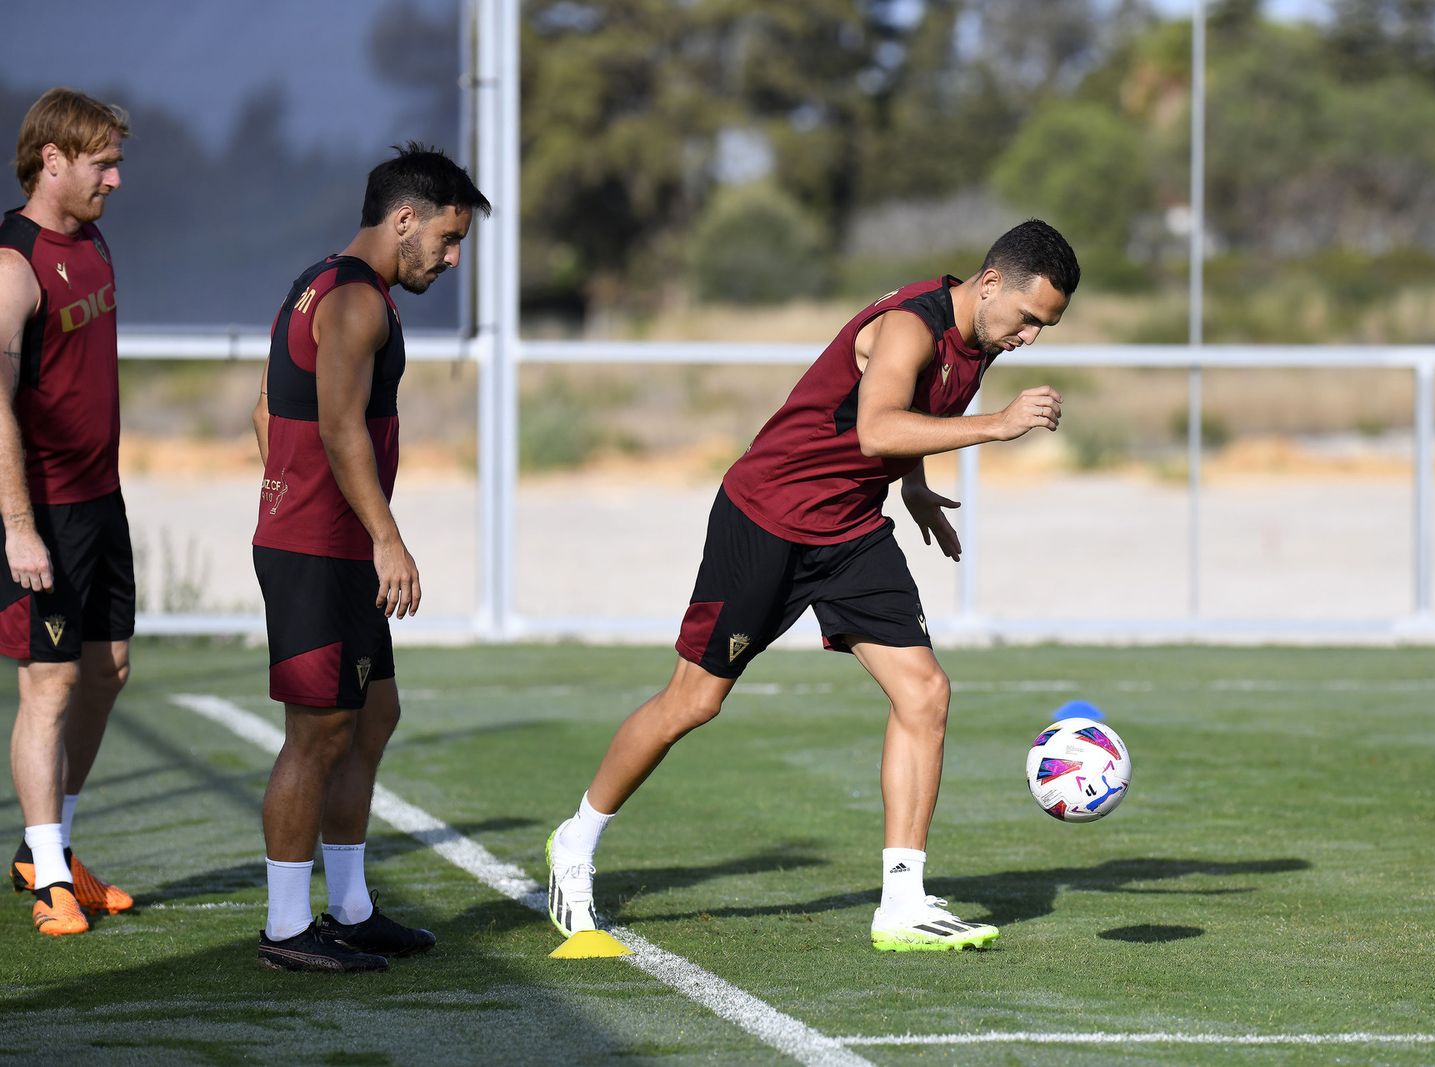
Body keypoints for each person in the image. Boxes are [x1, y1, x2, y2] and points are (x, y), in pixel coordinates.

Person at [546, 219, 1079, 951]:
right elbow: (877, 428)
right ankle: (575, 845)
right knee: (694, 701)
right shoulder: (908, 327)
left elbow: (911, 421)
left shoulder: (977, 337)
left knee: (925, 691)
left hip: (851, 531)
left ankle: (902, 899)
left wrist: (916, 489)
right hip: (767, 518)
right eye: (1028, 319)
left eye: (1044, 328)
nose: (1030, 338)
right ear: (990, 283)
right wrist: (998, 426)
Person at [250, 143, 489, 971]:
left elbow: (263, 411)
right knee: (317, 733)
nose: (452, 257)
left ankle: (349, 906)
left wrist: (291, 491)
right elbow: (339, 425)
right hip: (323, 548)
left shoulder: (319, 280)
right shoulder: (356, 301)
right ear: (404, 219)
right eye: (448, 239)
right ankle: (286, 928)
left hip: (327, 537)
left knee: (372, 715)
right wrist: (382, 535)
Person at [0, 88, 136, 937]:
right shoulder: (12, 266)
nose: (116, 180)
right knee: (48, 686)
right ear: (52, 158)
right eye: (102, 164)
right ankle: (47, 872)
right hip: (39, 507)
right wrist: (17, 527)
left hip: (101, 501)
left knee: (108, 669)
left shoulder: (92, 238)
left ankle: (50, 848)